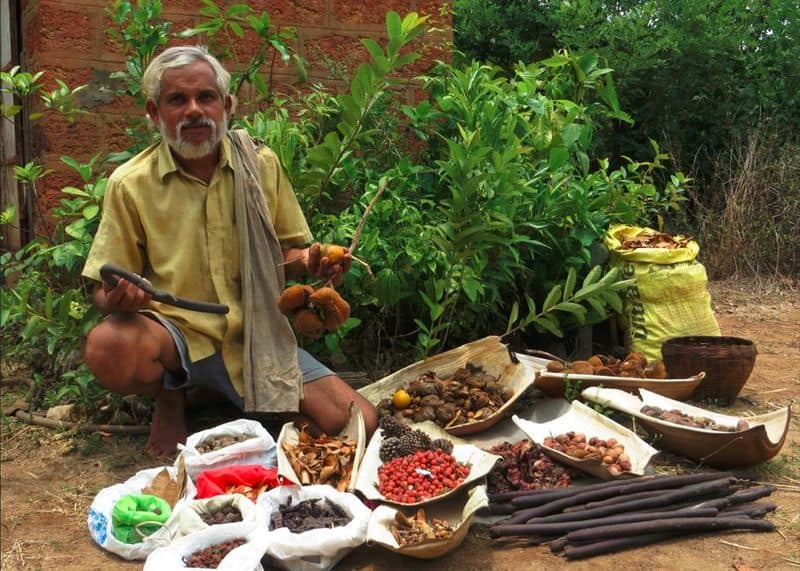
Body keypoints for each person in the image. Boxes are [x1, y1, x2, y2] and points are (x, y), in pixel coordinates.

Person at [82, 45, 377, 458]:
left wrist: (311, 261)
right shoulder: (131, 183)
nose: (193, 110)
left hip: (257, 338)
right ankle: (172, 397)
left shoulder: (261, 164)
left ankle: (217, 402)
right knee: (107, 345)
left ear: (227, 105)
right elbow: (102, 288)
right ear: (154, 113)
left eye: (205, 97)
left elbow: (287, 256)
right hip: (177, 338)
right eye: (176, 100)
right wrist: (116, 298)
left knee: (357, 421)